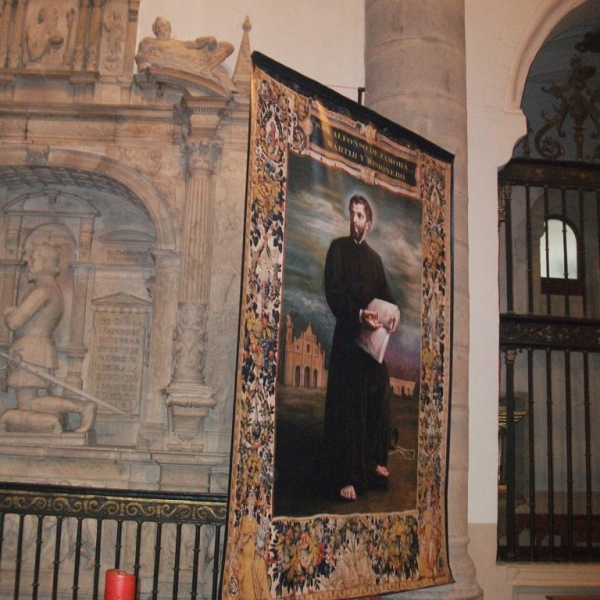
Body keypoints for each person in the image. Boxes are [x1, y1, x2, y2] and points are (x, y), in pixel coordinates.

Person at [320, 194, 399, 501]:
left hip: (371, 344)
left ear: (369, 222)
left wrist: (393, 317)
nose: (354, 221)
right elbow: (333, 291)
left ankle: (375, 461)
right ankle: (347, 476)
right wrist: (358, 314)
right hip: (348, 339)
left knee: (381, 388)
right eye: (351, 214)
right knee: (349, 403)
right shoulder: (337, 249)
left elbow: (387, 297)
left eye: (360, 216)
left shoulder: (375, 261)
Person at [0, 243, 96, 433]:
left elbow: (14, 322)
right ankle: (56, 419)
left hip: (31, 349)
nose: (28, 264)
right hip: (33, 348)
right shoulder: (51, 288)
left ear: (44, 263)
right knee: (28, 401)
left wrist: (9, 313)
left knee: (26, 402)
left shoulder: (43, 290)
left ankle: (82, 408)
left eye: (33, 260)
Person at [135, 16, 236, 93]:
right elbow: (140, 58)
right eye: (162, 25)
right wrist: (154, 62)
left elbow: (196, 43)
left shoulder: (177, 43)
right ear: (156, 29)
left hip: (198, 57)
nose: (166, 28)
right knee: (219, 70)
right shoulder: (149, 41)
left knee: (228, 47)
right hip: (188, 66)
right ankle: (209, 70)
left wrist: (208, 39)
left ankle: (208, 69)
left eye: (167, 26)